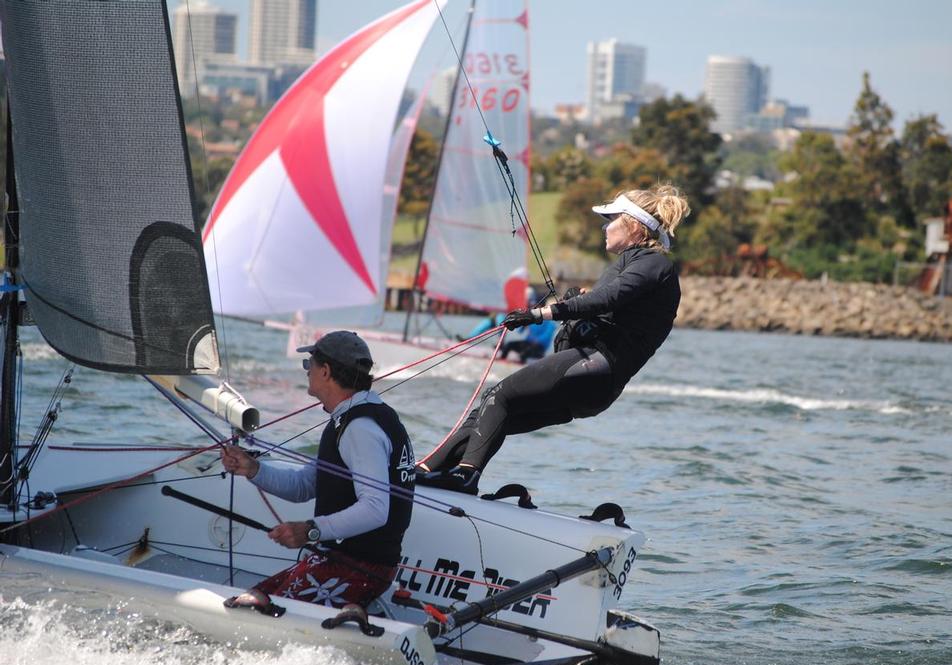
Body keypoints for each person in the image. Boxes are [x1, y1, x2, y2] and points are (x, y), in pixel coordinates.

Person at [418, 184, 689, 494]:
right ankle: (423, 473)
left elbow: (608, 299)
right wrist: (577, 308)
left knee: (500, 395)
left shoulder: (655, 264)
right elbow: (606, 305)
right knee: (490, 416)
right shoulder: (631, 265)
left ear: (634, 224)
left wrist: (540, 314)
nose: (604, 227)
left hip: (597, 367)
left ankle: (464, 477)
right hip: (593, 379)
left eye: (610, 219)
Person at [221, 330, 416, 612]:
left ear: (325, 371)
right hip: (339, 561)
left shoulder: (360, 429)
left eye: (308, 365)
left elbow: (375, 508)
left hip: (360, 568)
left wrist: (311, 531)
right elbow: (305, 485)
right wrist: (253, 469)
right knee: (251, 600)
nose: (306, 371)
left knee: (256, 610)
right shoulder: (351, 418)